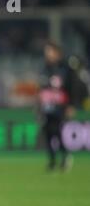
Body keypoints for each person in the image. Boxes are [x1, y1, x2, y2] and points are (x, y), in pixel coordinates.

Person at [38, 41, 74, 171]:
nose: (47, 54)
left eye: (50, 51)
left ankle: (65, 156)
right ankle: (52, 161)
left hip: (59, 106)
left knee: (57, 132)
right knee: (47, 132)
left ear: (56, 52)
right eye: (46, 51)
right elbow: (41, 90)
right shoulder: (45, 69)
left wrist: (70, 105)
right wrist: (39, 106)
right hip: (46, 106)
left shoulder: (64, 68)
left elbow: (70, 88)